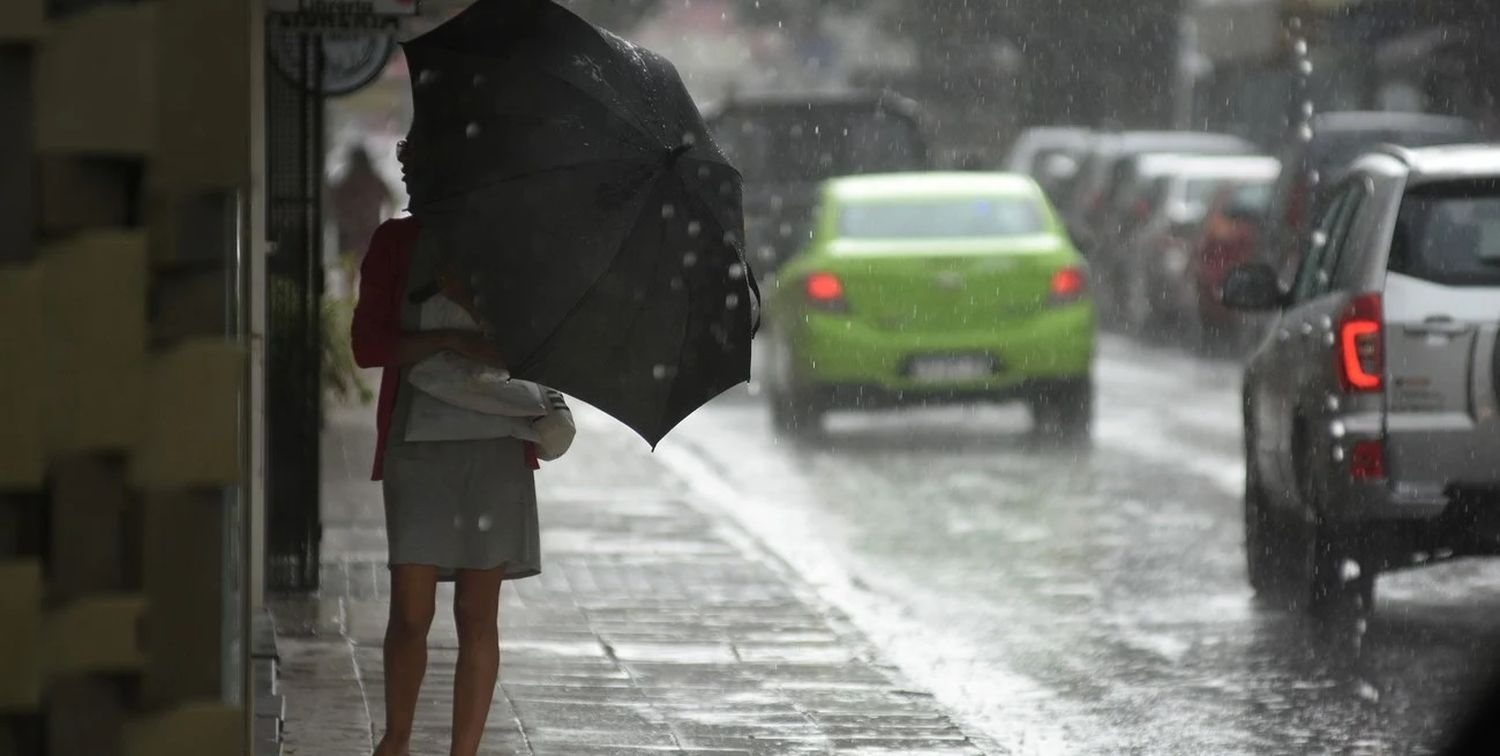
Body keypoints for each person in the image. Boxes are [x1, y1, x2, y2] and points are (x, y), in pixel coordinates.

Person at [350, 138, 543, 756]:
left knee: (476, 614)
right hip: (419, 444)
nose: (411, 178)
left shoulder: (509, 248)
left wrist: (466, 301)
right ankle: (397, 741)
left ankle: (465, 751)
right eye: (407, 168)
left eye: (423, 167)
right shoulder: (394, 243)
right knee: (411, 610)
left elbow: (527, 348)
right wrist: (449, 342)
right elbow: (369, 346)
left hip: (494, 447)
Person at [330, 143, 396, 266]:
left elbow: (334, 202)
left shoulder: (348, 181)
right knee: (365, 265)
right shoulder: (372, 180)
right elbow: (390, 200)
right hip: (363, 230)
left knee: (356, 266)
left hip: (355, 231)